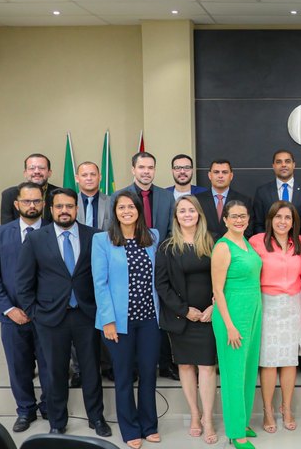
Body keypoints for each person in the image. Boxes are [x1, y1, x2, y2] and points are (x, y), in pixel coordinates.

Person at [16, 188, 110, 437]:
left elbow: (101, 276)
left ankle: (96, 418)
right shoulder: (37, 239)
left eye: (69, 206)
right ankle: (57, 422)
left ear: (77, 208)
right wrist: (34, 312)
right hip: (50, 318)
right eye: (59, 206)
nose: (65, 211)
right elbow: (24, 282)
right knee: (55, 372)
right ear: (51, 209)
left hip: (86, 314)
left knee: (91, 370)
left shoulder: (94, 236)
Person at [92, 191, 161, 449]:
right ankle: (130, 428)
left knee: (148, 374)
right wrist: (108, 320)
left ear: (138, 210)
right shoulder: (102, 240)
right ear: (115, 212)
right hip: (118, 322)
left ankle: (149, 425)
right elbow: (100, 283)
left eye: (131, 207)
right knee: (123, 376)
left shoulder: (151, 237)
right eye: (121, 207)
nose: (127, 211)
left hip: (149, 320)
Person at [0, 182, 50, 432]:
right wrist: (8, 309)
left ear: (44, 204)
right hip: (12, 316)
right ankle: (25, 410)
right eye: (27, 201)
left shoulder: (53, 230)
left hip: (46, 316)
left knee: (49, 366)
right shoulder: (0, 234)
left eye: (36, 201)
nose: (32, 205)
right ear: (17, 204)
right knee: (19, 367)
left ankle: (50, 407)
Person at [155, 195, 218, 444]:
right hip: (181, 318)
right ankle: (194, 414)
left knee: (206, 366)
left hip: (208, 317)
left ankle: (209, 418)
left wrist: (215, 306)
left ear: (199, 214)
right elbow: (161, 285)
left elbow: (224, 278)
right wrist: (183, 310)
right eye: (182, 211)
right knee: (185, 366)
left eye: (191, 210)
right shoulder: (167, 247)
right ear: (176, 217)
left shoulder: (214, 242)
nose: (187, 214)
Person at [114, 151, 177, 380]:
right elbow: (111, 231)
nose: (146, 171)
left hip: (159, 262)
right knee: (132, 321)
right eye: (142, 167)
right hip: (129, 264)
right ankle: (133, 368)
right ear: (133, 170)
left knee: (159, 316)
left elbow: (171, 231)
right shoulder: (120, 196)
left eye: (150, 167)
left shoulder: (166, 196)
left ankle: (165, 363)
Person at [248, 201, 301, 434]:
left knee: (290, 360)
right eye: (278, 217)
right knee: (269, 361)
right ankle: (268, 410)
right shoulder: (256, 242)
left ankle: (287, 408)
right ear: (270, 219)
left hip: (293, 305)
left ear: (294, 222)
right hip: (267, 305)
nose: (283, 222)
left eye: (288, 218)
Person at [211, 200, 263, 449]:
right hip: (232, 315)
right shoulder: (223, 247)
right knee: (234, 373)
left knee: (248, 370)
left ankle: (241, 422)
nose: (239, 220)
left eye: (243, 216)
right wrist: (230, 326)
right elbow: (217, 291)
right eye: (234, 216)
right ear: (225, 219)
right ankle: (235, 433)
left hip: (252, 312)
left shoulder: (248, 242)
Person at [74, 160, 113, 384]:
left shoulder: (112, 201)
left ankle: (108, 365)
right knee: (79, 319)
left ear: (100, 178)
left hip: (106, 268)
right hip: (77, 269)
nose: (89, 178)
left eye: (93, 174)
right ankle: (79, 368)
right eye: (84, 175)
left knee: (106, 315)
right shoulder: (69, 202)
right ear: (77, 178)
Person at [252, 149, 301, 235]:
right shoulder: (262, 192)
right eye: (279, 162)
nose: (283, 165)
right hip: (270, 245)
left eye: (287, 161)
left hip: (299, 244)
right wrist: (269, 243)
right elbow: (258, 224)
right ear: (273, 166)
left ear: (294, 165)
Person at [195, 159, 252, 237]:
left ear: (231, 176)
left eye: (224, 172)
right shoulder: (197, 200)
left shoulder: (244, 201)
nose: (220, 176)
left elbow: (248, 230)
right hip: (204, 247)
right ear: (209, 175)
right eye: (216, 172)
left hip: (233, 247)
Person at [1, 153, 60, 224]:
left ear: (49, 173)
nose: (37, 171)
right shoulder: (9, 195)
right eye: (32, 168)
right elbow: (6, 229)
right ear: (25, 173)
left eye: (41, 168)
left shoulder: (59, 194)